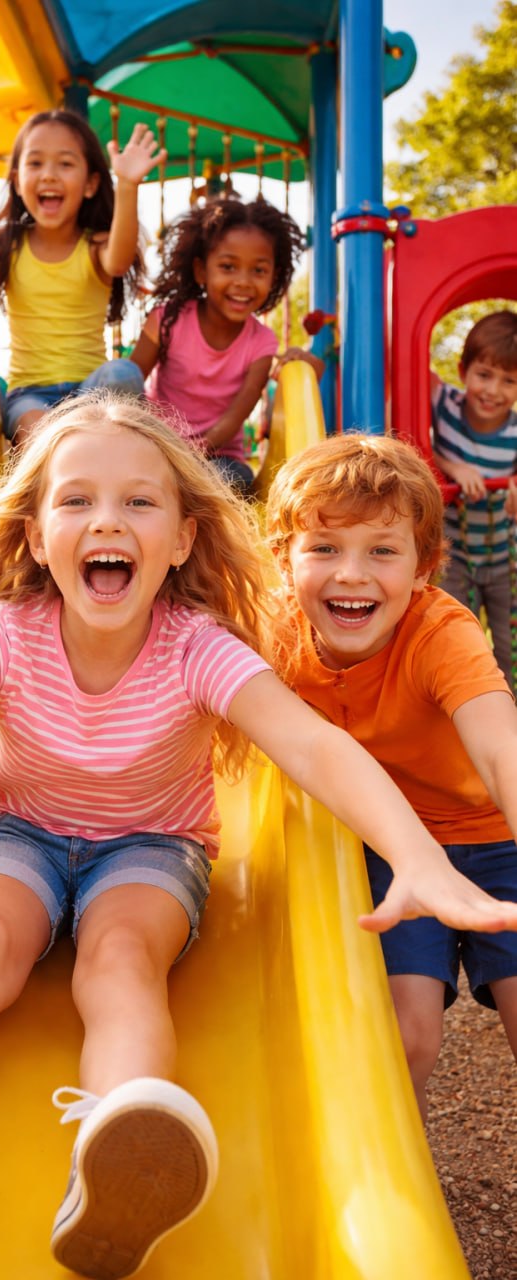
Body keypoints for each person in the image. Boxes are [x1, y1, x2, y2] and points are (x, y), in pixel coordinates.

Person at [0, 397, 516, 1278]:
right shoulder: (0, 636)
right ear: (36, 537)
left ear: (183, 539)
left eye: (138, 504)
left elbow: (313, 747)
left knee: (119, 959)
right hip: (13, 833)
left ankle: (117, 1157)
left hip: (150, 848)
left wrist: (415, 856)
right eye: (76, 502)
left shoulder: (200, 647)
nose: (106, 520)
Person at [265, 432, 517, 1120]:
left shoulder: (440, 633)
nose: (351, 573)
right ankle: (389, 1191)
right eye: (323, 548)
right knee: (406, 1033)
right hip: (395, 844)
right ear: (282, 560)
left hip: (497, 839)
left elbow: (500, 750)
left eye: (381, 551)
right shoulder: (272, 633)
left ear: (423, 566)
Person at [0, 108, 161, 445]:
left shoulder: (94, 246)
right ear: (17, 182)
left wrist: (128, 185)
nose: (49, 175)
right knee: (36, 425)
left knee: (124, 373)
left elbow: (119, 262)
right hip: (29, 395)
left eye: (64, 164)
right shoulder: (9, 245)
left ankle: (85, 443)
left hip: (90, 392)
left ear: (91, 183)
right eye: (35, 163)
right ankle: (66, 453)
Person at [130, 195, 322, 494]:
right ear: (201, 271)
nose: (243, 281)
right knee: (118, 374)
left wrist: (188, 459)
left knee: (234, 479)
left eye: (258, 270)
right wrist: (146, 445)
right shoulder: (168, 319)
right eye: (228, 267)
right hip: (158, 445)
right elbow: (130, 384)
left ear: (275, 276)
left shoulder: (261, 342)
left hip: (216, 456)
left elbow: (235, 418)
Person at [430, 310, 517, 690]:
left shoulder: (515, 431)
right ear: (464, 371)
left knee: (508, 647)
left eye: (509, 381)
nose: (493, 390)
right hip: (454, 556)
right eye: (484, 375)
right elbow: (401, 362)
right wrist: (452, 466)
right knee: (457, 641)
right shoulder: (443, 403)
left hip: (504, 558)